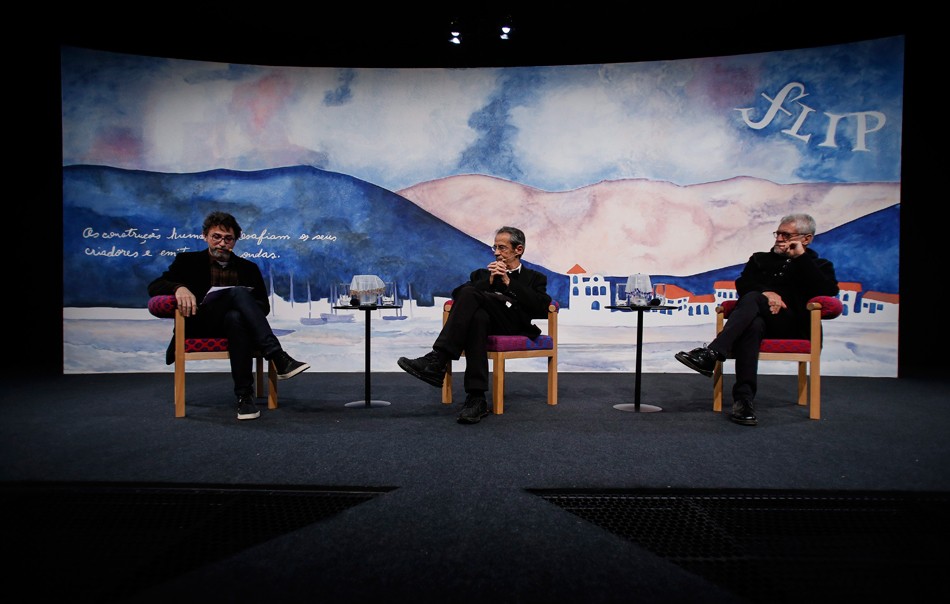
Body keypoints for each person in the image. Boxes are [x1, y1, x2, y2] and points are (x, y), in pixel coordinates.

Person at [674, 213, 838, 426]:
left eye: (786, 235)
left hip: (792, 325)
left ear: (805, 239)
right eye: (777, 233)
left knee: (753, 300)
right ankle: (744, 401)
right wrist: (767, 293)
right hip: (759, 322)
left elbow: (826, 291)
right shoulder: (760, 259)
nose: (779, 238)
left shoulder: (819, 265)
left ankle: (713, 353)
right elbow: (742, 285)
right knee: (753, 322)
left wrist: (801, 258)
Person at [148, 211, 310, 421]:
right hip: (200, 323)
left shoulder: (248, 268)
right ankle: (278, 356)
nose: (222, 243)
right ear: (205, 236)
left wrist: (245, 307)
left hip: (235, 326)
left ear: (235, 241)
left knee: (235, 317)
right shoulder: (187, 261)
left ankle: (245, 397)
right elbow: (155, 286)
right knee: (238, 293)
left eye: (228, 239)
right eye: (216, 237)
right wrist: (179, 288)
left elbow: (263, 306)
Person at [397, 226, 552, 424]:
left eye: (502, 248)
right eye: (494, 247)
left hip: (512, 324)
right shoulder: (482, 274)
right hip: (487, 323)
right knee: (477, 318)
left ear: (518, 249)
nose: (496, 252)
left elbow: (541, 305)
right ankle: (476, 398)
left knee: (472, 297)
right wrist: (489, 281)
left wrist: (507, 282)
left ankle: (438, 360)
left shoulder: (535, 278)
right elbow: (458, 294)